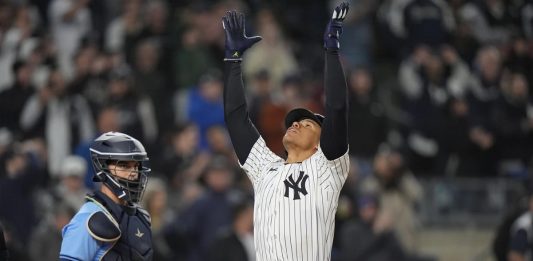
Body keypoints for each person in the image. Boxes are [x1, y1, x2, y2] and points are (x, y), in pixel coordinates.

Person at [222, 3, 350, 260]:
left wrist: (331, 52)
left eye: (307, 124)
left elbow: (336, 108)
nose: (296, 123)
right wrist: (233, 60)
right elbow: (236, 118)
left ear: (320, 143)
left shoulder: (327, 169)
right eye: (294, 121)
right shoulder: (265, 167)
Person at [59, 132, 153, 260]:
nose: (134, 173)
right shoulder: (88, 219)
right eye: (124, 165)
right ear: (102, 167)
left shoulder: (141, 217)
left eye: (136, 166)